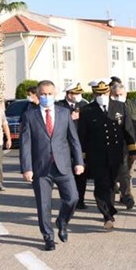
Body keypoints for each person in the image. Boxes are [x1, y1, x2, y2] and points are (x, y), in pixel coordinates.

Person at [20, 80, 85, 251]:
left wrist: (79, 161)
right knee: (43, 205)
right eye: (43, 94)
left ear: (55, 94)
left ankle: (62, 221)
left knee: (72, 198)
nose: (46, 97)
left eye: (50, 94)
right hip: (41, 168)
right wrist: (26, 168)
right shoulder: (29, 115)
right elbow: (25, 143)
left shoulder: (64, 113)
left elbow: (73, 139)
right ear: (38, 95)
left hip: (63, 165)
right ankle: (48, 237)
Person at [78, 78, 136, 230]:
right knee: (101, 186)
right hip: (96, 156)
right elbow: (82, 136)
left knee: (112, 184)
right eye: (99, 93)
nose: (102, 95)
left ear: (109, 92)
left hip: (117, 154)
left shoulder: (120, 107)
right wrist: (82, 158)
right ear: (93, 93)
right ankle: (107, 215)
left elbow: (128, 130)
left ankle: (110, 209)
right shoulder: (87, 111)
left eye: (104, 92)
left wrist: (133, 150)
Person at [110, 83, 136, 210]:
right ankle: (121, 194)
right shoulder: (108, 107)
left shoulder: (134, 106)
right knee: (118, 173)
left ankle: (125, 195)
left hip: (132, 144)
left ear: (126, 94)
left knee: (128, 172)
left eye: (121, 94)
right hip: (115, 146)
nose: (119, 97)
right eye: (116, 95)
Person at [55, 81, 89, 210]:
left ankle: (80, 199)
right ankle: (68, 199)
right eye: (75, 93)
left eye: (79, 93)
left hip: (81, 145)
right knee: (66, 174)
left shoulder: (84, 105)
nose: (78, 95)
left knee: (81, 174)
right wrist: (70, 117)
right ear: (69, 94)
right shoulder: (59, 106)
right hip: (64, 146)